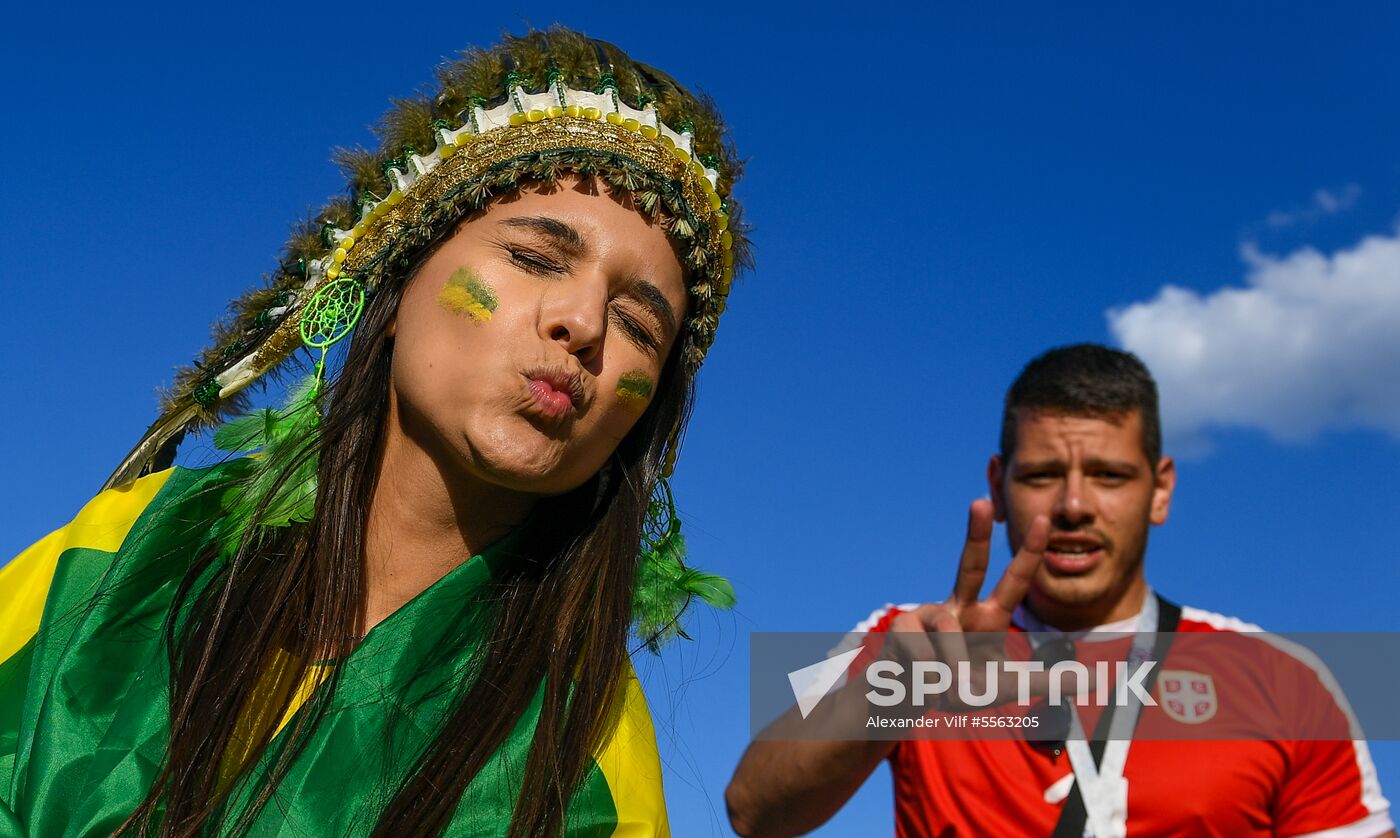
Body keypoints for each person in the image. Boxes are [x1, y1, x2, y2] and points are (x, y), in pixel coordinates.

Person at [0, 27, 747, 837]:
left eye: (639, 324)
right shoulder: (131, 551)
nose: (582, 324)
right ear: (397, 283)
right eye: (536, 258)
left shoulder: (589, 743)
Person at [727, 344, 1393, 838]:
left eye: (1108, 475)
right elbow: (753, 810)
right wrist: (894, 693)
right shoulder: (915, 639)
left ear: (1160, 489)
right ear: (997, 484)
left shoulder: (1283, 680)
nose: (1073, 505)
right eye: (1043, 474)